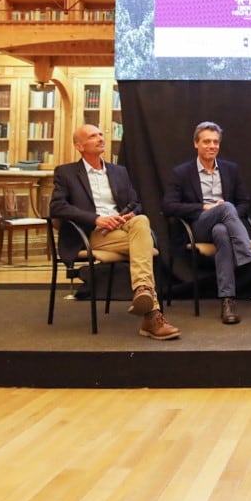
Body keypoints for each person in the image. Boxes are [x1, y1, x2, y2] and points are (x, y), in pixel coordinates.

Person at [50, 123, 179, 340]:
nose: (101, 138)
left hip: (123, 228)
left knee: (141, 219)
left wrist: (127, 214)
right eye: (93, 136)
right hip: (93, 233)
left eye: (101, 134)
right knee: (144, 241)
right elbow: (57, 207)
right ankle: (150, 312)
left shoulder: (119, 171)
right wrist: (97, 219)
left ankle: (143, 293)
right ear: (79, 146)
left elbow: (135, 202)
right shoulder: (66, 173)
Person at [161, 121, 251, 325]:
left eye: (216, 142)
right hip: (197, 226)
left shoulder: (230, 170)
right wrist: (203, 208)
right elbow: (169, 206)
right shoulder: (182, 173)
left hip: (224, 226)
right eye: (207, 141)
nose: (212, 146)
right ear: (196, 144)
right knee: (225, 207)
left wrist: (230, 212)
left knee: (222, 232)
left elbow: (245, 202)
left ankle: (227, 300)